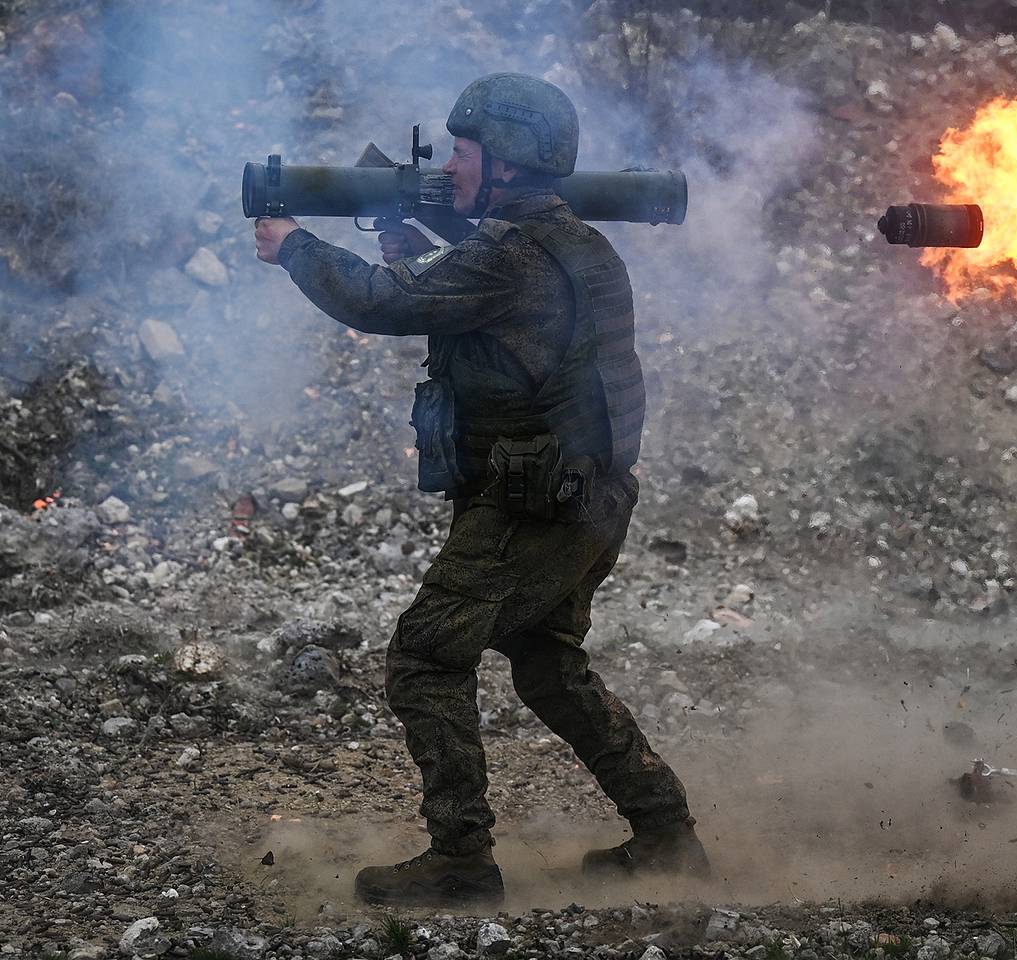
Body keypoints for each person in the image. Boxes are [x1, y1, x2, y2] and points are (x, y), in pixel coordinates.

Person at [252, 72, 708, 908]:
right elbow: (488, 319)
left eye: (463, 152)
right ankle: (667, 837)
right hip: (585, 498)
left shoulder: (508, 255)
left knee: (425, 657)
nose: (449, 166)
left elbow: (378, 303)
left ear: (508, 163)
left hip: (534, 504)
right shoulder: (569, 244)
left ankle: (460, 861)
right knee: (547, 666)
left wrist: (296, 248)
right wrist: (417, 254)